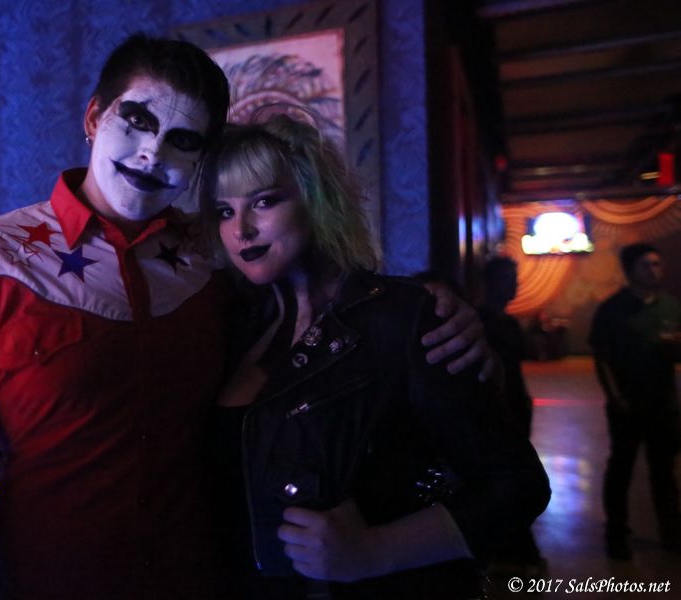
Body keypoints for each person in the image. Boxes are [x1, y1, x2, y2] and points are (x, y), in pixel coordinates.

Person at [0, 34, 490, 600]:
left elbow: (324, 296)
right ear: (94, 117)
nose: (153, 153)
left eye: (183, 141)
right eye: (137, 121)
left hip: (203, 579)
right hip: (39, 581)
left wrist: (435, 305)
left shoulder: (216, 256)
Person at [199, 115, 550, 599]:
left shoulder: (404, 316)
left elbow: (518, 485)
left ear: (315, 198)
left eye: (264, 201)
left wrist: (374, 550)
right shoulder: (231, 324)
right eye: (223, 210)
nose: (241, 229)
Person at [589, 243, 681, 560]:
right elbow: (601, 357)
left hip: (663, 403)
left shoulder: (670, 306)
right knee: (621, 469)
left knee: (664, 470)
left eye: (657, 264)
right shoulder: (612, 309)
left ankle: (671, 532)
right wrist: (614, 396)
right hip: (627, 403)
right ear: (630, 271)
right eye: (646, 265)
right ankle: (616, 532)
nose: (654, 271)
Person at [477, 257, 545, 574]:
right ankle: (516, 551)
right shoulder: (481, 321)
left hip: (515, 406)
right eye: (508, 279)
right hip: (496, 411)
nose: (513, 285)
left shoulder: (507, 322)